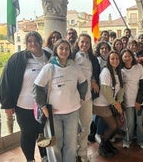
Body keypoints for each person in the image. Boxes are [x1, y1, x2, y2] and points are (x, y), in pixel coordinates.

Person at [0, 31, 51, 162]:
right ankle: (30, 159)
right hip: (23, 105)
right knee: (27, 133)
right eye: (29, 41)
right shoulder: (17, 59)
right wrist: (7, 104)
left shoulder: (49, 57)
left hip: (44, 105)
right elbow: (6, 81)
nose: (33, 43)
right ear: (26, 44)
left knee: (43, 133)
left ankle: (45, 157)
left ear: (40, 42)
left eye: (35, 40)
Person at [33, 39, 88, 162]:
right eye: (61, 48)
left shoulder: (74, 67)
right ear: (56, 50)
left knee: (71, 144)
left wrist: (82, 97)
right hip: (53, 114)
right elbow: (37, 87)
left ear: (70, 51)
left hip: (72, 112)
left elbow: (83, 82)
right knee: (54, 145)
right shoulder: (49, 67)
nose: (64, 51)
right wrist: (43, 107)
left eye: (66, 48)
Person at [72, 33, 100, 162]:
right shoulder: (71, 57)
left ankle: (82, 153)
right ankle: (73, 152)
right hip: (71, 97)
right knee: (72, 127)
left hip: (87, 96)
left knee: (86, 126)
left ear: (90, 45)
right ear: (78, 43)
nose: (84, 44)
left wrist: (94, 80)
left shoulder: (93, 59)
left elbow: (95, 73)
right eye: (82, 42)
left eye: (87, 42)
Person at [93, 51, 124, 157]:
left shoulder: (118, 72)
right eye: (112, 58)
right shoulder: (106, 71)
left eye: (117, 58)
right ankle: (102, 145)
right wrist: (116, 104)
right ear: (108, 60)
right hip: (101, 104)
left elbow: (121, 89)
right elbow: (106, 91)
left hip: (110, 104)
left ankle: (107, 142)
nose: (115, 60)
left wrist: (119, 102)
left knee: (118, 125)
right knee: (113, 126)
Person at [120, 49, 143, 149]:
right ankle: (127, 140)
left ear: (133, 57)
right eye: (125, 56)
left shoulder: (139, 67)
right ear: (121, 58)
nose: (127, 58)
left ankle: (141, 140)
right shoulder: (120, 69)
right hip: (127, 101)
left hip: (140, 101)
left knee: (140, 123)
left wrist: (138, 101)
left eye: (129, 56)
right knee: (129, 123)